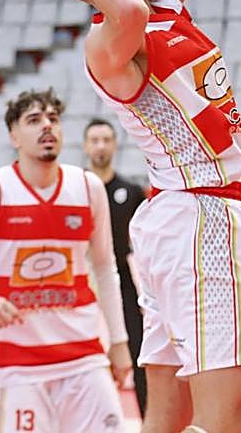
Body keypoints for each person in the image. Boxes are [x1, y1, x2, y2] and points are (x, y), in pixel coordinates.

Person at [15, 0, 241, 433]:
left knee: (167, 417)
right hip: (204, 219)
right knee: (225, 418)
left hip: (177, 221)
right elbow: (126, 10)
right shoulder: (109, 40)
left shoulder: (167, 1)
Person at [0, 89, 130, 432]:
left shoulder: (88, 189)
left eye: (53, 119)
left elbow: (105, 268)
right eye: (34, 120)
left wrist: (118, 342)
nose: (47, 126)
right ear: (14, 135)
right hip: (18, 361)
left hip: (83, 354)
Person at [82, 116, 148, 417]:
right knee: (84, 359)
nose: (100, 146)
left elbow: (146, 246)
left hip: (122, 283)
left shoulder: (131, 192)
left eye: (106, 140)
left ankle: (150, 420)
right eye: (94, 140)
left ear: (115, 145)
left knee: (139, 354)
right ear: (85, 146)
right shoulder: (74, 188)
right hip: (80, 282)